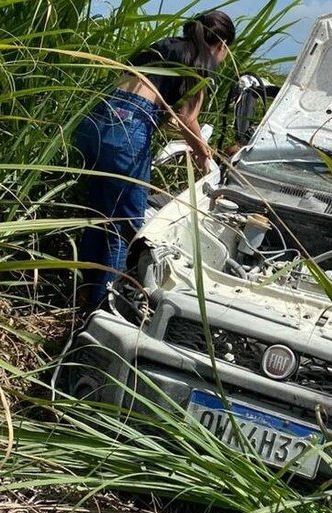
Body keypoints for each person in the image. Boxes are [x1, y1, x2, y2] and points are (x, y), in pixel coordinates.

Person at [74, 11, 235, 307]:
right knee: (124, 226)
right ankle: (100, 310)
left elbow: (138, 90)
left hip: (96, 121)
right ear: (222, 45)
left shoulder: (164, 45)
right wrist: (203, 154)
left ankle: (83, 292)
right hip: (128, 130)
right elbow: (189, 119)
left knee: (99, 215)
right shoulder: (202, 60)